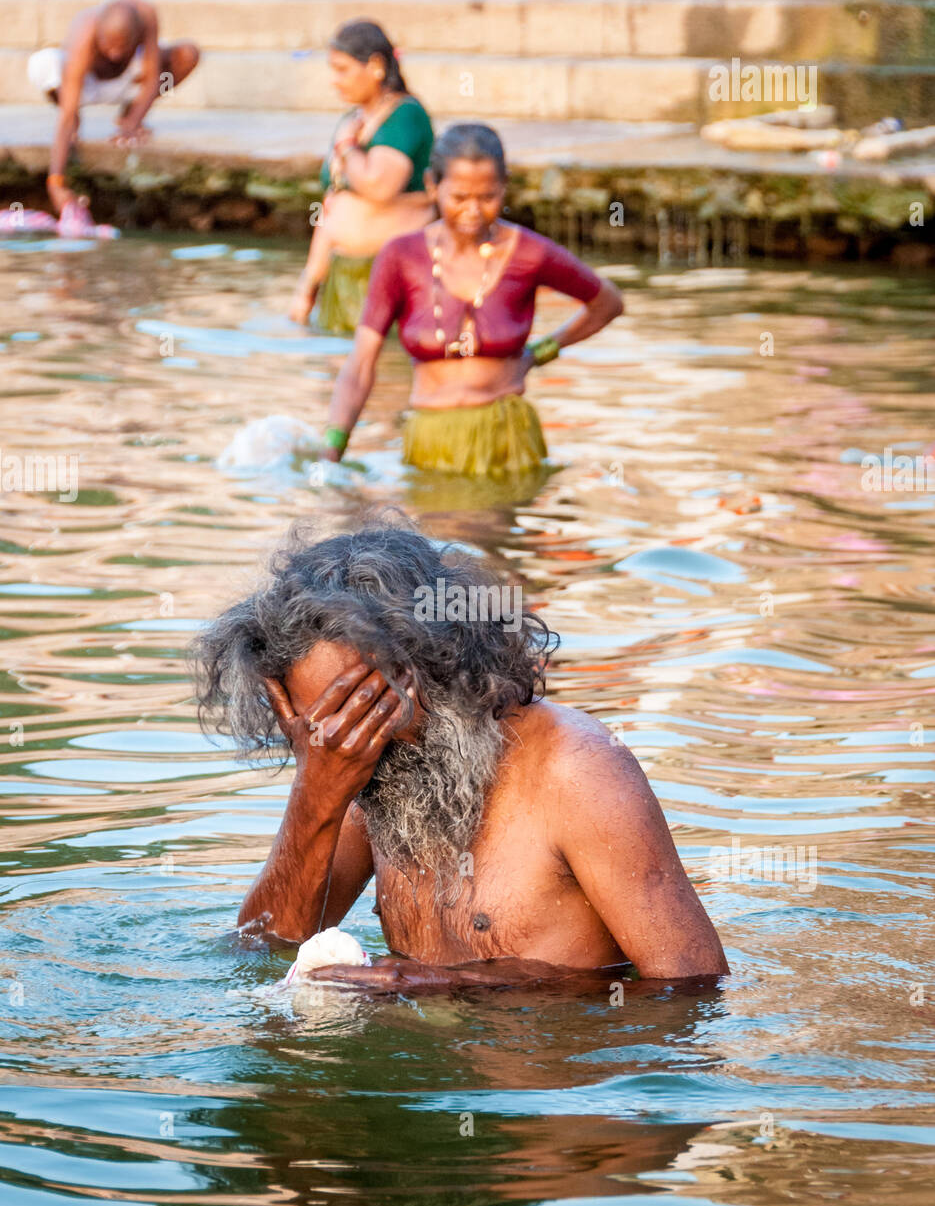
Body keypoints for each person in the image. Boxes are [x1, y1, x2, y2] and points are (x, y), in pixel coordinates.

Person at [193, 516, 729, 992]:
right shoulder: (361, 772)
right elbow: (258, 954)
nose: (338, 746)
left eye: (360, 714)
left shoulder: (577, 772)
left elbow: (694, 997)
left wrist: (456, 984)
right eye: (312, 730)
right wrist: (315, 792)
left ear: (436, 664)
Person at [321, 123, 623, 481]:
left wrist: (538, 354)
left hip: (505, 437)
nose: (473, 211)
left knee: (494, 534)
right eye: (460, 198)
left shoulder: (529, 252)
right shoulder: (401, 256)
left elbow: (608, 302)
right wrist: (330, 456)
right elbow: (359, 367)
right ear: (433, 185)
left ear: (505, 185)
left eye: (488, 197)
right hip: (429, 438)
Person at [289, 21, 434, 335]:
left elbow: (379, 186)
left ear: (376, 66)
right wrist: (308, 286)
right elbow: (333, 207)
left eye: (342, 70)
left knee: (388, 375)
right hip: (342, 276)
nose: (334, 81)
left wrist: (347, 147)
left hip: (393, 276)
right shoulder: (351, 120)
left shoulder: (405, 116)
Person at [28, 0, 200, 219]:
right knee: (41, 64)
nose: (115, 54)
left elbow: (152, 77)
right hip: (86, 88)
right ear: (99, 35)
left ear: (135, 34)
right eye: (108, 46)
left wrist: (132, 124)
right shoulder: (85, 30)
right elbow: (66, 116)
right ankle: (83, 120)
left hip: (126, 82)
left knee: (187, 54)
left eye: (123, 46)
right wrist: (56, 181)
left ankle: (128, 113)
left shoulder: (146, 14)